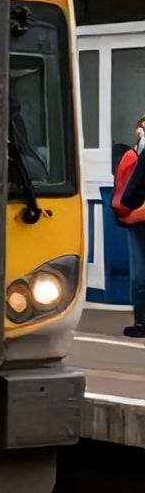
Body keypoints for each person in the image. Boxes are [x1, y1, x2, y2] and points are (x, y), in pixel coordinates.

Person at [114, 117, 145, 337]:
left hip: (140, 220)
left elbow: (129, 194)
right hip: (140, 220)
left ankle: (142, 322)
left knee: (140, 274)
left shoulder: (140, 154)